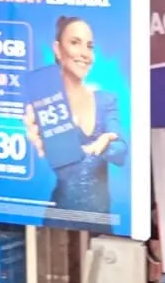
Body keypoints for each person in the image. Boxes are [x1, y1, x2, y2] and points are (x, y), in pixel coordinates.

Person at [23, 16, 127, 219]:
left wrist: (105, 144)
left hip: (100, 219)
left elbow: (121, 152)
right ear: (58, 49)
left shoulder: (106, 100)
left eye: (90, 46)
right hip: (60, 218)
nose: (84, 53)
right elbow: (61, 169)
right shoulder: (45, 102)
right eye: (75, 42)